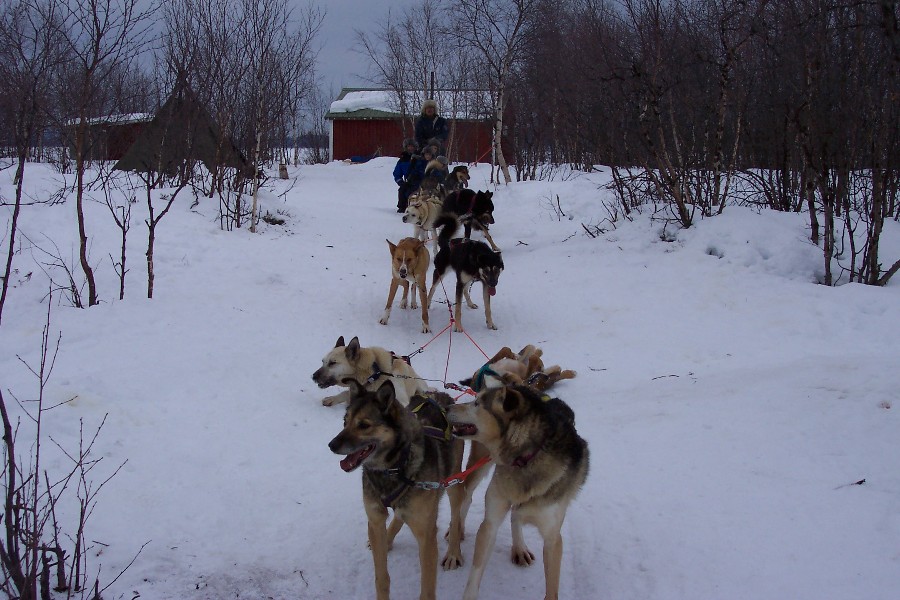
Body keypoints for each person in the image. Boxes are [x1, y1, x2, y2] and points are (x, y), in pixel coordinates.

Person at [393, 138, 418, 212]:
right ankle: (402, 206)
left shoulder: (419, 158)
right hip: (408, 181)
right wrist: (400, 181)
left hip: (419, 180)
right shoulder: (402, 160)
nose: (410, 148)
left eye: (412, 146)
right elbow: (397, 173)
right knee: (402, 190)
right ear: (406, 147)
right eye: (409, 146)